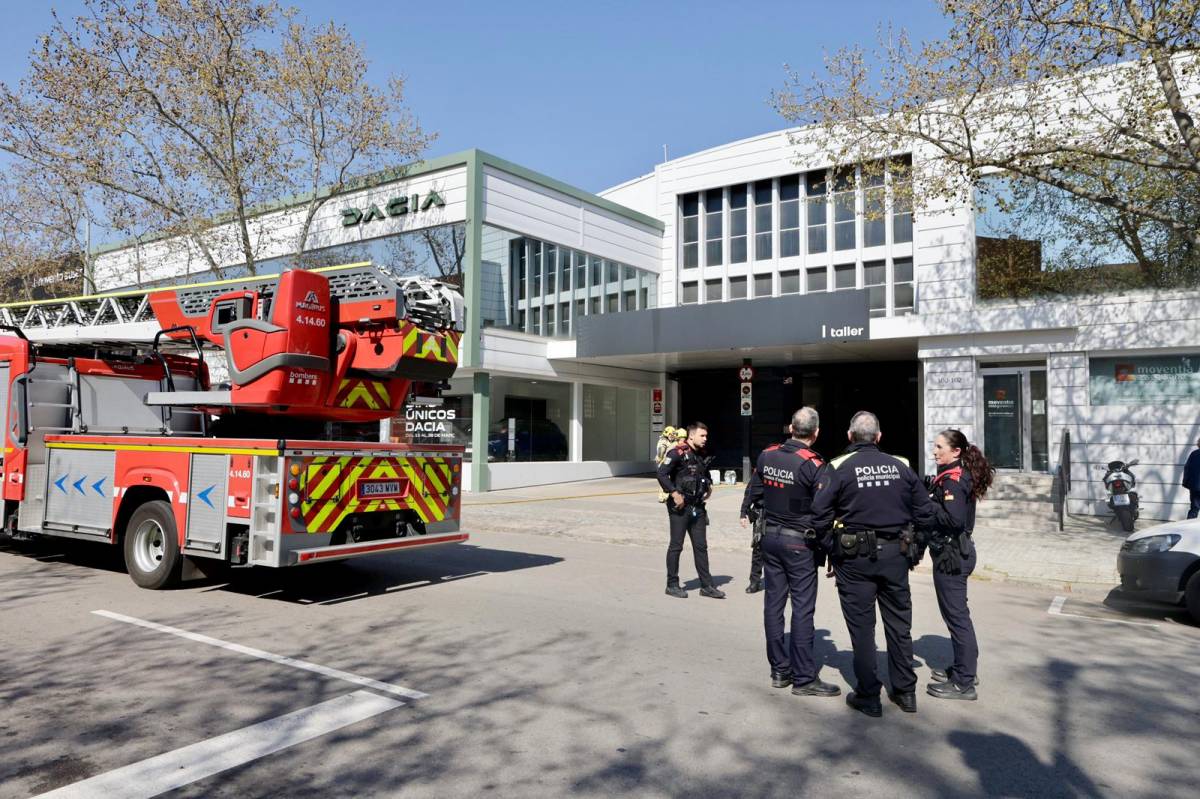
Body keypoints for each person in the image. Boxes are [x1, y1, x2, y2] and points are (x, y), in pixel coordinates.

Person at [809, 411, 937, 717]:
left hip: (854, 559)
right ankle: (905, 692)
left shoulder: (837, 467)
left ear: (850, 436)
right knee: (899, 625)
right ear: (879, 437)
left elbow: (819, 516)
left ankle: (868, 695)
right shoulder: (902, 466)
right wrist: (915, 551)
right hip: (895, 555)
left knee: (862, 629)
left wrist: (832, 550)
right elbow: (926, 514)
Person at [740, 407, 839, 697]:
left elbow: (754, 490)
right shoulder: (814, 464)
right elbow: (823, 511)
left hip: (770, 539)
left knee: (773, 604)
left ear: (790, 428)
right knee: (803, 609)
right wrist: (830, 547)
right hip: (800, 545)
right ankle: (805, 678)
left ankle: (779, 670)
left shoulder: (768, 453)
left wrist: (745, 510)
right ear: (816, 432)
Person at [925, 429, 993, 701]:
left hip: (953, 555)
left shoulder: (953, 479)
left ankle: (964, 683)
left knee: (957, 618)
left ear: (955, 451)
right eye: (934, 446)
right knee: (957, 615)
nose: (934, 451)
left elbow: (953, 520)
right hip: (956, 552)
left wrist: (925, 506)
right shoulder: (953, 475)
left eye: (939, 447)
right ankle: (964, 670)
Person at [657, 422, 725, 599]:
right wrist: (673, 492)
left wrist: (708, 487)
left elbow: (704, 475)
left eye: (706, 436)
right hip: (680, 507)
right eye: (702, 436)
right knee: (676, 546)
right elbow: (661, 473)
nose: (705, 439)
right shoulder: (677, 452)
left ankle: (707, 585)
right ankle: (672, 584)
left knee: (701, 547)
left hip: (698, 508)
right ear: (691, 436)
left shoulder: (701, 454)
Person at [1182, 439, 1200, 519]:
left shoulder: (1194, 454)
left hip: (1195, 488)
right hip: (1195, 487)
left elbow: (1187, 468)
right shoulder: (1194, 454)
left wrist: (1186, 483)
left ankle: (1187, 529)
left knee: (1194, 509)